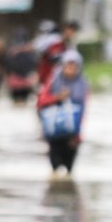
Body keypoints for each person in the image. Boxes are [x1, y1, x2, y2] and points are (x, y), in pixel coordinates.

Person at [37, 49, 89, 177]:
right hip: (54, 132)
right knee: (55, 168)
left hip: (72, 134)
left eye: (74, 66)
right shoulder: (53, 81)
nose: (70, 70)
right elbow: (40, 102)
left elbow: (83, 110)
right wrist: (58, 98)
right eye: (68, 66)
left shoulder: (83, 84)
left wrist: (78, 135)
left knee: (69, 171)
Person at [35, 20, 80, 86]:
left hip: (63, 78)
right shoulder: (54, 40)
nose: (72, 33)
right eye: (71, 30)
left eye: (74, 31)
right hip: (48, 76)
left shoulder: (71, 46)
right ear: (66, 29)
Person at [4, 26, 38, 105]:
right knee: (22, 98)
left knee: (17, 98)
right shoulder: (29, 47)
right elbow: (34, 61)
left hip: (16, 75)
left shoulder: (12, 47)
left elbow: (7, 61)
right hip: (23, 75)